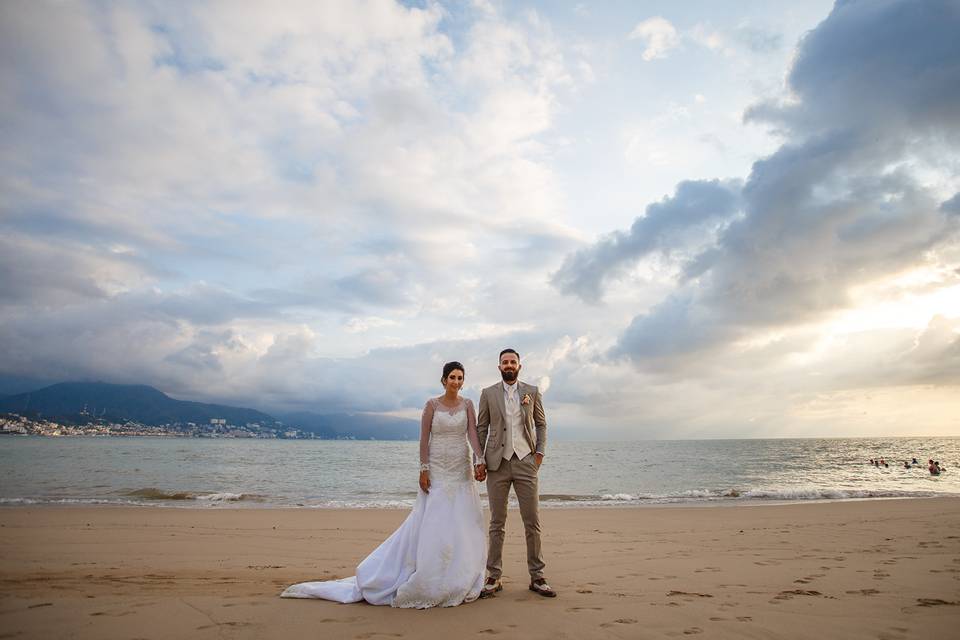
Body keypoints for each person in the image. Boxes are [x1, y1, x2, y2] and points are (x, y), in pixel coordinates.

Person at [281, 361, 486, 608]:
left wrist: (479, 460)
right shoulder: (432, 405)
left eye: (460, 377)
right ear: (443, 380)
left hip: (460, 467)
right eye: (452, 377)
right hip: (438, 468)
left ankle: (460, 572)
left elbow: (472, 434)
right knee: (436, 518)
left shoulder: (468, 405)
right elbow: (424, 439)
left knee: (462, 519)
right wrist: (423, 469)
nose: (456, 381)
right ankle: (429, 572)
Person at [476, 348, 555, 598]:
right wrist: (479, 459)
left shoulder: (531, 391)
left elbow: (541, 424)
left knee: (532, 521)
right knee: (496, 523)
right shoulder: (488, 394)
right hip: (497, 464)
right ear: (499, 366)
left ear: (519, 366)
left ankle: (538, 576)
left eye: (513, 362)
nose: (509, 365)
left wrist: (539, 453)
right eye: (504, 362)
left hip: (525, 462)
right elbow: (481, 428)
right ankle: (493, 576)